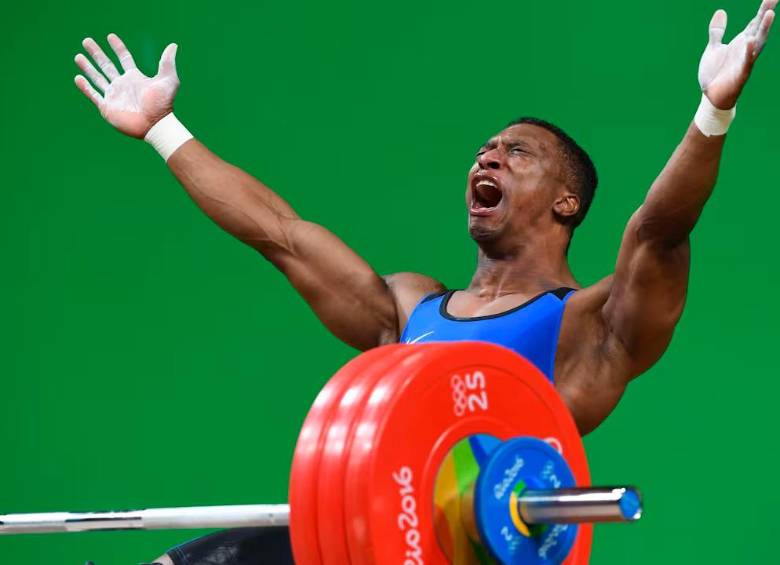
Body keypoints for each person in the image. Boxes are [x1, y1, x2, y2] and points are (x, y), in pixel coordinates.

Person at [72, 1, 775, 563]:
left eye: (515, 152)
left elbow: (659, 231)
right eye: (484, 150)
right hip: (371, 543)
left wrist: (712, 114)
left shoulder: (587, 331)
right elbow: (281, 235)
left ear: (567, 201)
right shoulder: (408, 309)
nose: (488, 157)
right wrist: (164, 129)